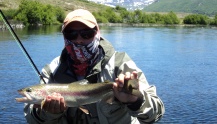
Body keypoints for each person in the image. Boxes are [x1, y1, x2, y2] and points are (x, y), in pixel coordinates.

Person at [24, 9, 165, 123]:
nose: (79, 40)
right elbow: (32, 120)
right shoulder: (52, 71)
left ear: (97, 32)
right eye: (71, 34)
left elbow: (156, 115)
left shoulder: (120, 64)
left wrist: (136, 100)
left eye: (86, 33)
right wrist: (48, 114)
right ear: (64, 36)